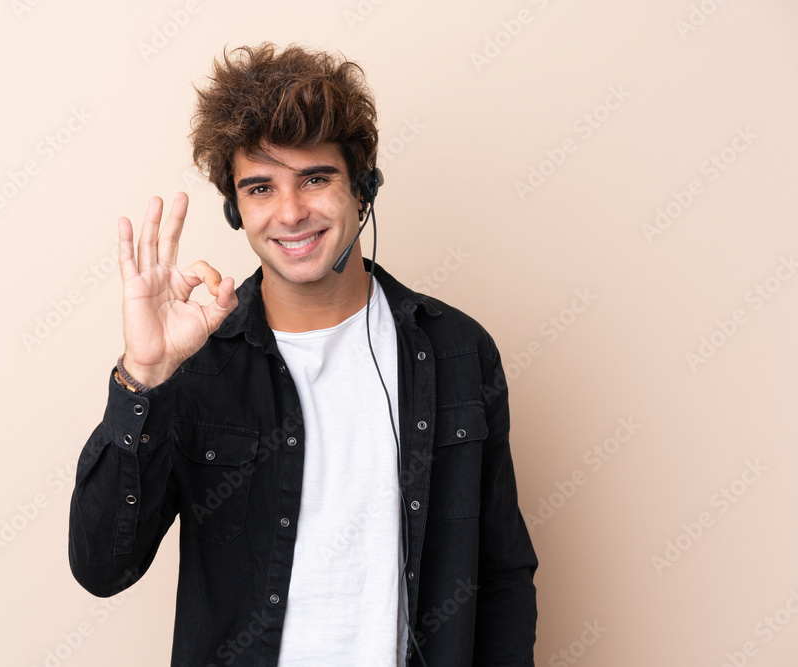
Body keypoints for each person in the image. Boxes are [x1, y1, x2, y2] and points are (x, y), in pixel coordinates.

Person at [68, 42, 538, 666]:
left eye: (316, 178)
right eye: (260, 188)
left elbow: (501, 574)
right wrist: (144, 377)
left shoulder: (457, 350)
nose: (290, 213)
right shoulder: (197, 362)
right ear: (236, 210)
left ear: (363, 188)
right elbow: (103, 566)